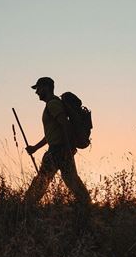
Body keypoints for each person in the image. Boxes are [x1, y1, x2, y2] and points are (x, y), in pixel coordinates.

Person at [24, 77, 92, 205]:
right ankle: (87, 205)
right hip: (60, 149)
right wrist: (35, 148)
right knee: (71, 180)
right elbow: (53, 133)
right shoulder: (53, 104)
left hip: (58, 150)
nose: (37, 92)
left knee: (42, 180)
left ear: (46, 87)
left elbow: (65, 125)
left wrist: (67, 149)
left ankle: (26, 207)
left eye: (38, 88)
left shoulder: (53, 104)